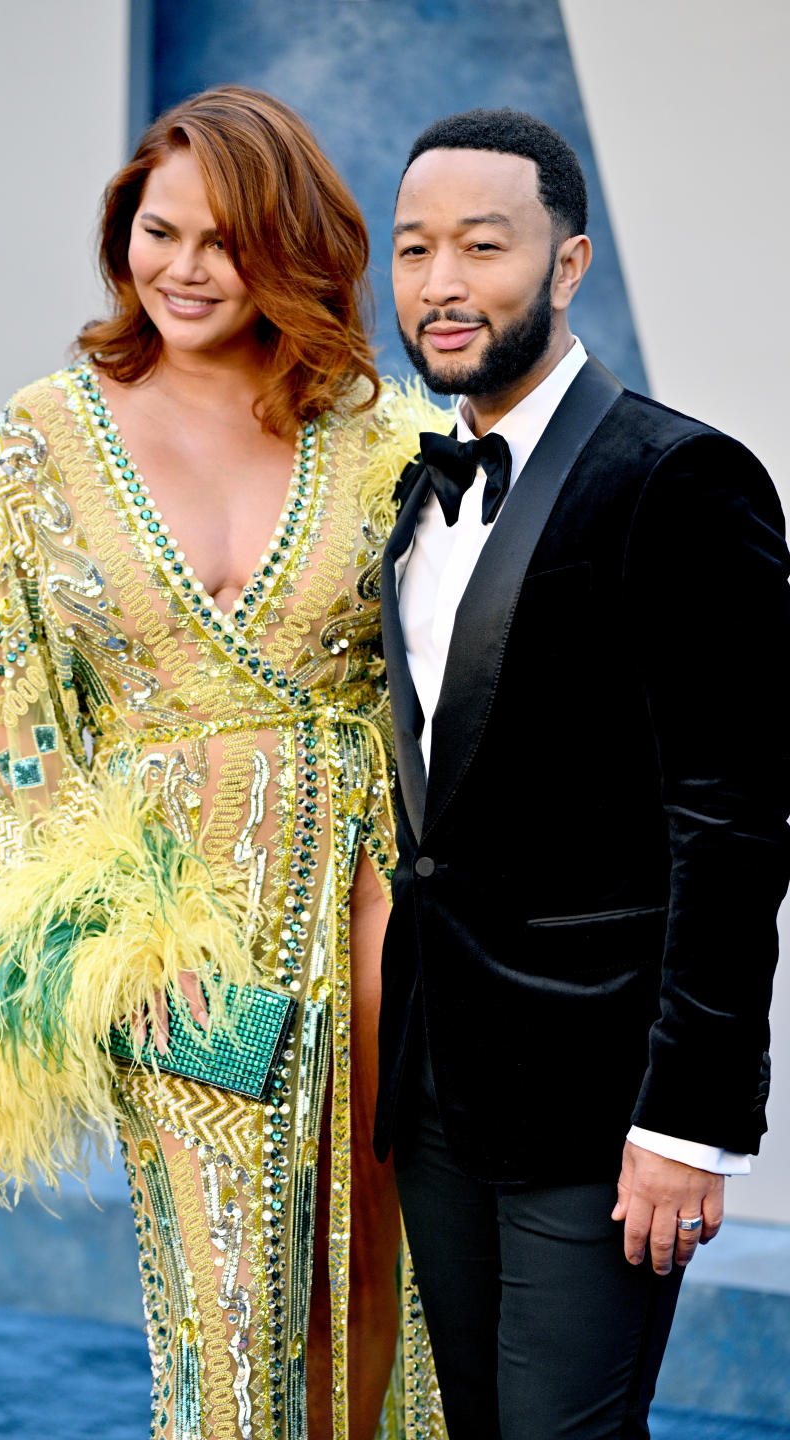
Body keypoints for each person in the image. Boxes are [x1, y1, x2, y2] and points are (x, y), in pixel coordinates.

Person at [0, 86, 448, 1440]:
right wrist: (128, 943)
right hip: (177, 937)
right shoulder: (43, 436)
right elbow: (10, 730)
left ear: (292, 248)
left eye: (227, 239)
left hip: (380, 918)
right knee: (224, 1303)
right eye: (160, 228)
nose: (184, 268)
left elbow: (446, 694)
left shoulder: (380, 436)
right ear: (121, 228)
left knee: (392, 1273)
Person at [375, 107, 790, 1439]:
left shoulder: (682, 479)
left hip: (602, 1095)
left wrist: (688, 1120)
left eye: (481, 248)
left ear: (568, 264)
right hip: (440, 1080)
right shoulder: (416, 491)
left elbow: (731, 822)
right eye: (413, 250)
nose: (441, 286)